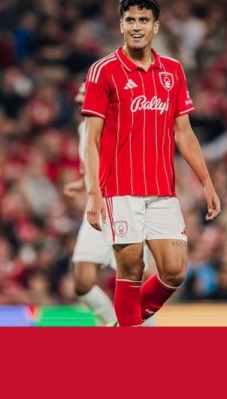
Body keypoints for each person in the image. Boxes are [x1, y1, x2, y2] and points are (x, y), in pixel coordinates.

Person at [82, 0, 220, 326]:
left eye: (144, 20)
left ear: (156, 26)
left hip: (162, 190)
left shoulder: (172, 71)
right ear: (121, 25)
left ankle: (121, 328)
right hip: (120, 188)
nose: (136, 26)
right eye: (130, 20)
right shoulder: (103, 71)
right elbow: (92, 139)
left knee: (175, 270)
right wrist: (94, 192)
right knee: (131, 269)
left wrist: (206, 182)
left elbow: (184, 133)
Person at [64, 82, 155, 325]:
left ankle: (149, 335)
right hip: (97, 209)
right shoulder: (84, 128)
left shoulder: (122, 124)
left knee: (133, 281)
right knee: (82, 282)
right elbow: (95, 166)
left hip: (126, 206)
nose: (78, 100)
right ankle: (116, 325)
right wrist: (83, 183)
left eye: (83, 95)